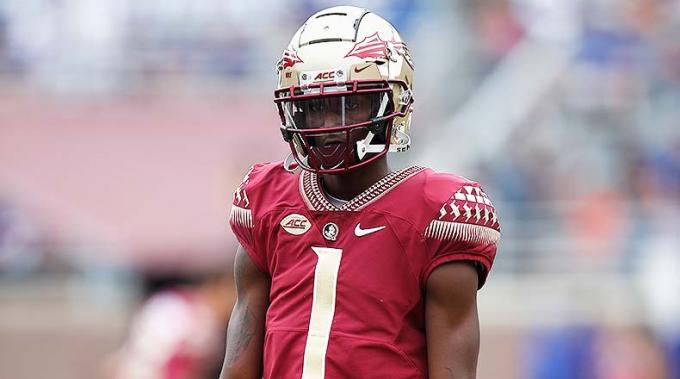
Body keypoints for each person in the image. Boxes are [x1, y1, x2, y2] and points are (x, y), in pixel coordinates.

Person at [220, 6, 500, 379]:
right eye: (315, 107)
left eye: (350, 103)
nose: (331, 125)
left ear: (393, 101)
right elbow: (239, 363)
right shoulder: (267, 200)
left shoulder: (436, 214)